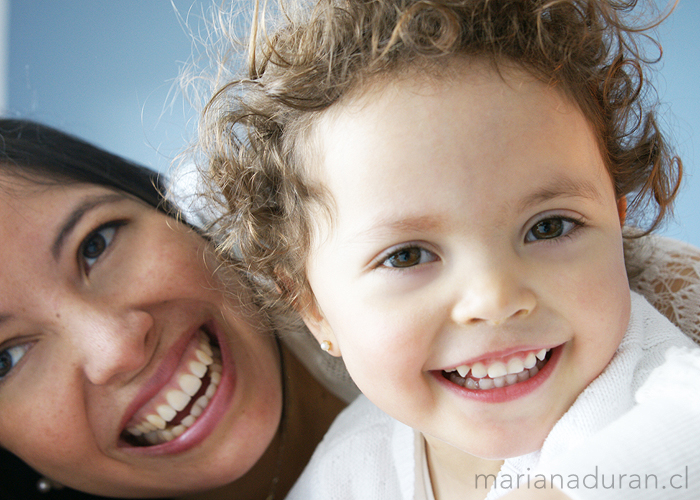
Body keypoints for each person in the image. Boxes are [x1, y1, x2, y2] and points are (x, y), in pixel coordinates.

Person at [193, 0, 700, 499]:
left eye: (548, 227)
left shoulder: (657, 387)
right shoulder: (349, 468)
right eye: (407, 256)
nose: (494, 298)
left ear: (618, 218)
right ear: (315, 310)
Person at [0, 118, 349, 500]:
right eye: (6, 359)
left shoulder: (347, 214)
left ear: (169, 209)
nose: (117, 347)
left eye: (95, 245)